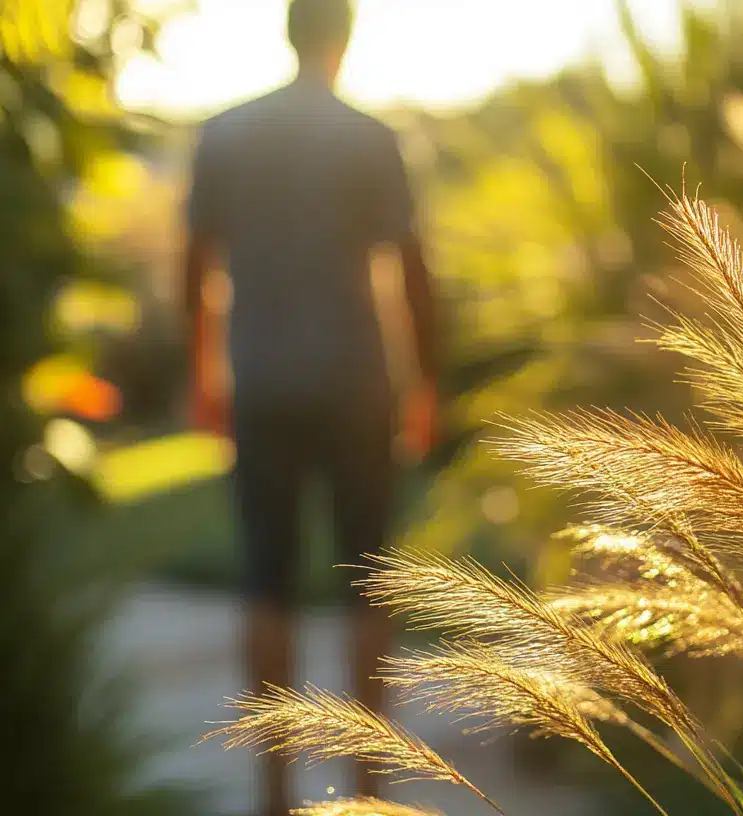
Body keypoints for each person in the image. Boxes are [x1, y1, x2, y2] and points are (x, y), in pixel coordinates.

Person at [180, 1, 438, 813]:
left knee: (267, 580)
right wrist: (428, 380)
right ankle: (368, 790)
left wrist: (203, 372)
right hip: (358, 381)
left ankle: (274, 794)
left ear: (289, 33)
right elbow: (412, 265)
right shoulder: (371, 138)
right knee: (367, 582)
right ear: (346, 37)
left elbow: (195, 263)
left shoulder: (224, 134)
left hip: (260, 379)